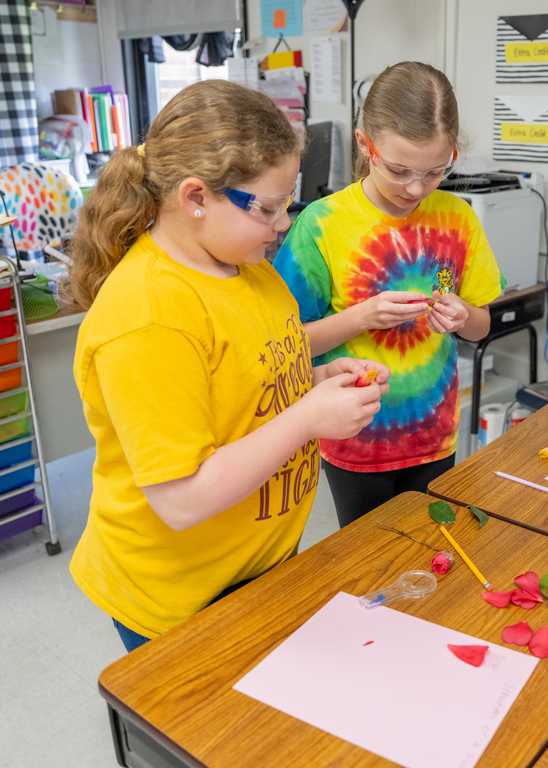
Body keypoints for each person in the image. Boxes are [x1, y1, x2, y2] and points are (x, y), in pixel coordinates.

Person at [66, 80, 389, 652]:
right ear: (196, 198)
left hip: (256, 567)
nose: (285, 222)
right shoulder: (148, 316)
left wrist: (312, 381)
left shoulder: (248, 265)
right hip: (179, 599)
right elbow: (182, 499)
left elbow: (242, 382)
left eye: (288, 203)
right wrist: (309, 418)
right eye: (267, 207)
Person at [274, 62, 505, 528]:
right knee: (369, 565)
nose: (416, 189)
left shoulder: (458, 217)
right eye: (399, 170)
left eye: (435, 172)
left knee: (434, 556)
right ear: (365, 145)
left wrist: (464, 317)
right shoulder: (320, 225)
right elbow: (286, 347)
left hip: (435, 434)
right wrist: (360, 317)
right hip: (357, 437)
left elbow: (482, 327)